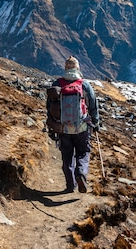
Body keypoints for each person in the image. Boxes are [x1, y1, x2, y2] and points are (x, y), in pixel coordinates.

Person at [50, 56, 99, 193]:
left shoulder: (57, 84)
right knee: (83, 152)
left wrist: (52, 125)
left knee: (67, 155)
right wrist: (96, 122)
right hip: (81, 127)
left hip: (63, 128)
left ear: (65, 68)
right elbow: (93, 105)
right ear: (77, 68)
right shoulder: (84, 85)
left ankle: (70, 185)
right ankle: (80, 174)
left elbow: (50, 107)